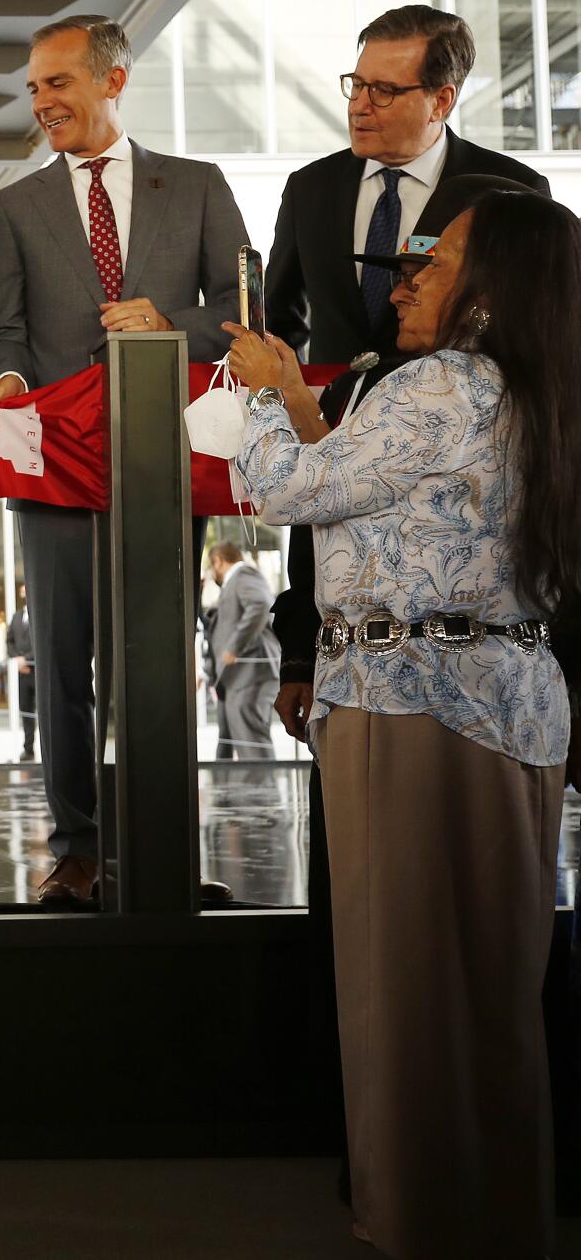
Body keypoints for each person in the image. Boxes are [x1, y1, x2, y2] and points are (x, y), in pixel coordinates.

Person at [231, 189, 576, 1259]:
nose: (406, 275)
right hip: (506, 697)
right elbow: (368, 491)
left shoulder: (436, 383)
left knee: (403, 985)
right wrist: (305, 406)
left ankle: (417, 1222)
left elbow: (283, 488)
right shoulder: (534, 388)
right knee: (490, 985)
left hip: (405, 696)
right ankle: (494, 1210)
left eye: (435, 258)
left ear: (493, 282)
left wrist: (264, 392)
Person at [0, 14, 250, 903]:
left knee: (157, 661)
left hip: (163, 471)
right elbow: (3, 334)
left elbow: (249, 307)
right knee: (59, 663)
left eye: (57, 83)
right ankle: (79, 850)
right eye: (34, 88)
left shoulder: (198, 186)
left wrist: (172, 323)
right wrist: (10, 380)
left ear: (113, 81)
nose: (42, 101)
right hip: (54, 464)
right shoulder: (17, 206)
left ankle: (157, 840)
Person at [266, 5, 547, 367]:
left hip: (451, 415)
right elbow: (278, 318)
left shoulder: (513, 191)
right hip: (328, 415)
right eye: (357, 84)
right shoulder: (310, 187)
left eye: (384, 90)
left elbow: (534, 328)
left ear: (440, 101)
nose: (359, 107)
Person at [205, 542, 278, 760]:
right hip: (240, 676)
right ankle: (255, 791)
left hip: (250, 673)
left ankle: (262, 793)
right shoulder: (237, 582)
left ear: (218, 561)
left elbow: (260, 604)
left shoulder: (243, 575)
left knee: (251, 742)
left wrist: (233, 647)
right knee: (244, 741)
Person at [8, 583, 36, 762]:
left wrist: (27, 659)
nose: (24, 594)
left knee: (44, 713)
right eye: (22, 592)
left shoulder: (39, 616)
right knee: (25, 710)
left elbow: (43, 641)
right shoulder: (17, 616)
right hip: (22, 673)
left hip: (37, 670)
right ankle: (28, 749)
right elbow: (9, 641)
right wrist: (17, 659)